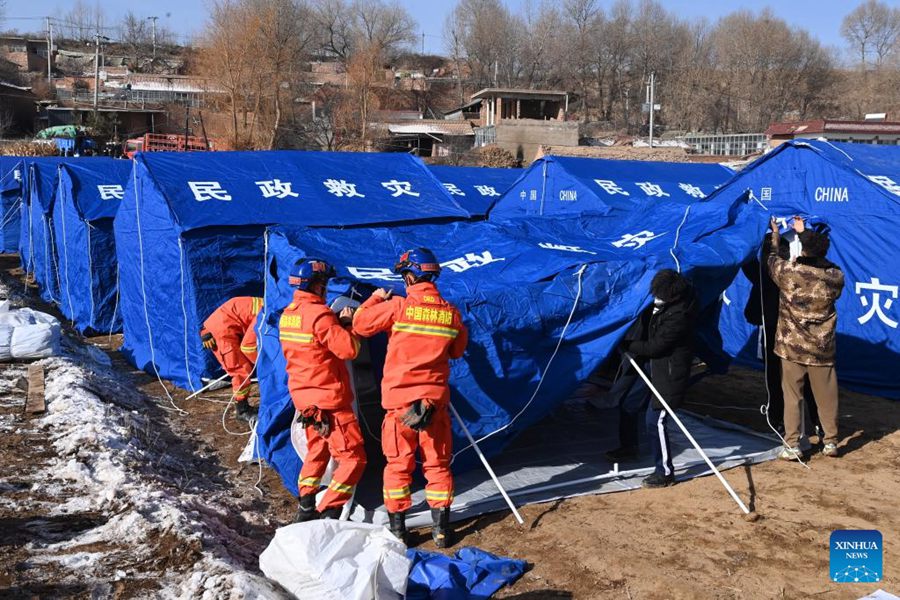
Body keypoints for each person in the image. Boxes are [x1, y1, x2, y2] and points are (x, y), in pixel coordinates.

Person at [352, 248, 468, 548]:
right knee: (438, 465)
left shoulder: (399, 307)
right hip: (434, 404)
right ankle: (442, 531)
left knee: (398, 466)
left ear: (409, 276)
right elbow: (456, 351)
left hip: (400, 405)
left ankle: (399, 531)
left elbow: (360, 325)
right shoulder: (451, 313)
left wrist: (376, 298)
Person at [280, 258, 366, 522]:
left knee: (317, 450)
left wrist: (334, 326)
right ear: (316, 285)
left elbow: (313, 347)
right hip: (330, 398)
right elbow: (349, 349)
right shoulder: (319, 315)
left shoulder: (289, 315)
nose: (326, 288)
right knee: (353, 458)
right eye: (324, 283)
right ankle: (328, 510)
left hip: (306, 400)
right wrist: (349, 325)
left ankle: (305, 504)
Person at [767, 216, 844, 460]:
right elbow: (824, 262)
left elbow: (772, 258)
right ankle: (830, 442)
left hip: (792, 348)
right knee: (827, 397)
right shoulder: (835, 276)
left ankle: (792, 445)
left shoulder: (790, 272)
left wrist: (777, 235)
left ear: (803, 250)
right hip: (821, 348)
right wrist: (806, 235)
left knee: (792, 397)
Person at [620, 269, 697, 488]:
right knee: (629, 404)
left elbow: (656, 347)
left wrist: (627, 344)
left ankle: (665, 472)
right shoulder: (664, 302)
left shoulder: (680, 316)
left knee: (655, 420)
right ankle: (628, 447)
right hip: (650, 367)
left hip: (669, 373)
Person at [743, 233, 821, 436]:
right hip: (799, 335)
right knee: (804, 380)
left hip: (782, 334)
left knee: (780, 378)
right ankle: (817, 423)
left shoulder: (777, 274)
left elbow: (749, 262)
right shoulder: (800, 273)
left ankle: (779, 420)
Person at [200, 296, 263, 421]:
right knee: (240, 371)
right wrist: (264, 366)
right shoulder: (264, 316)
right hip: (222, 332)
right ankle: (242, 410)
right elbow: (248, 347)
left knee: (243, 368)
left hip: (224, 323)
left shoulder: (269, 304)